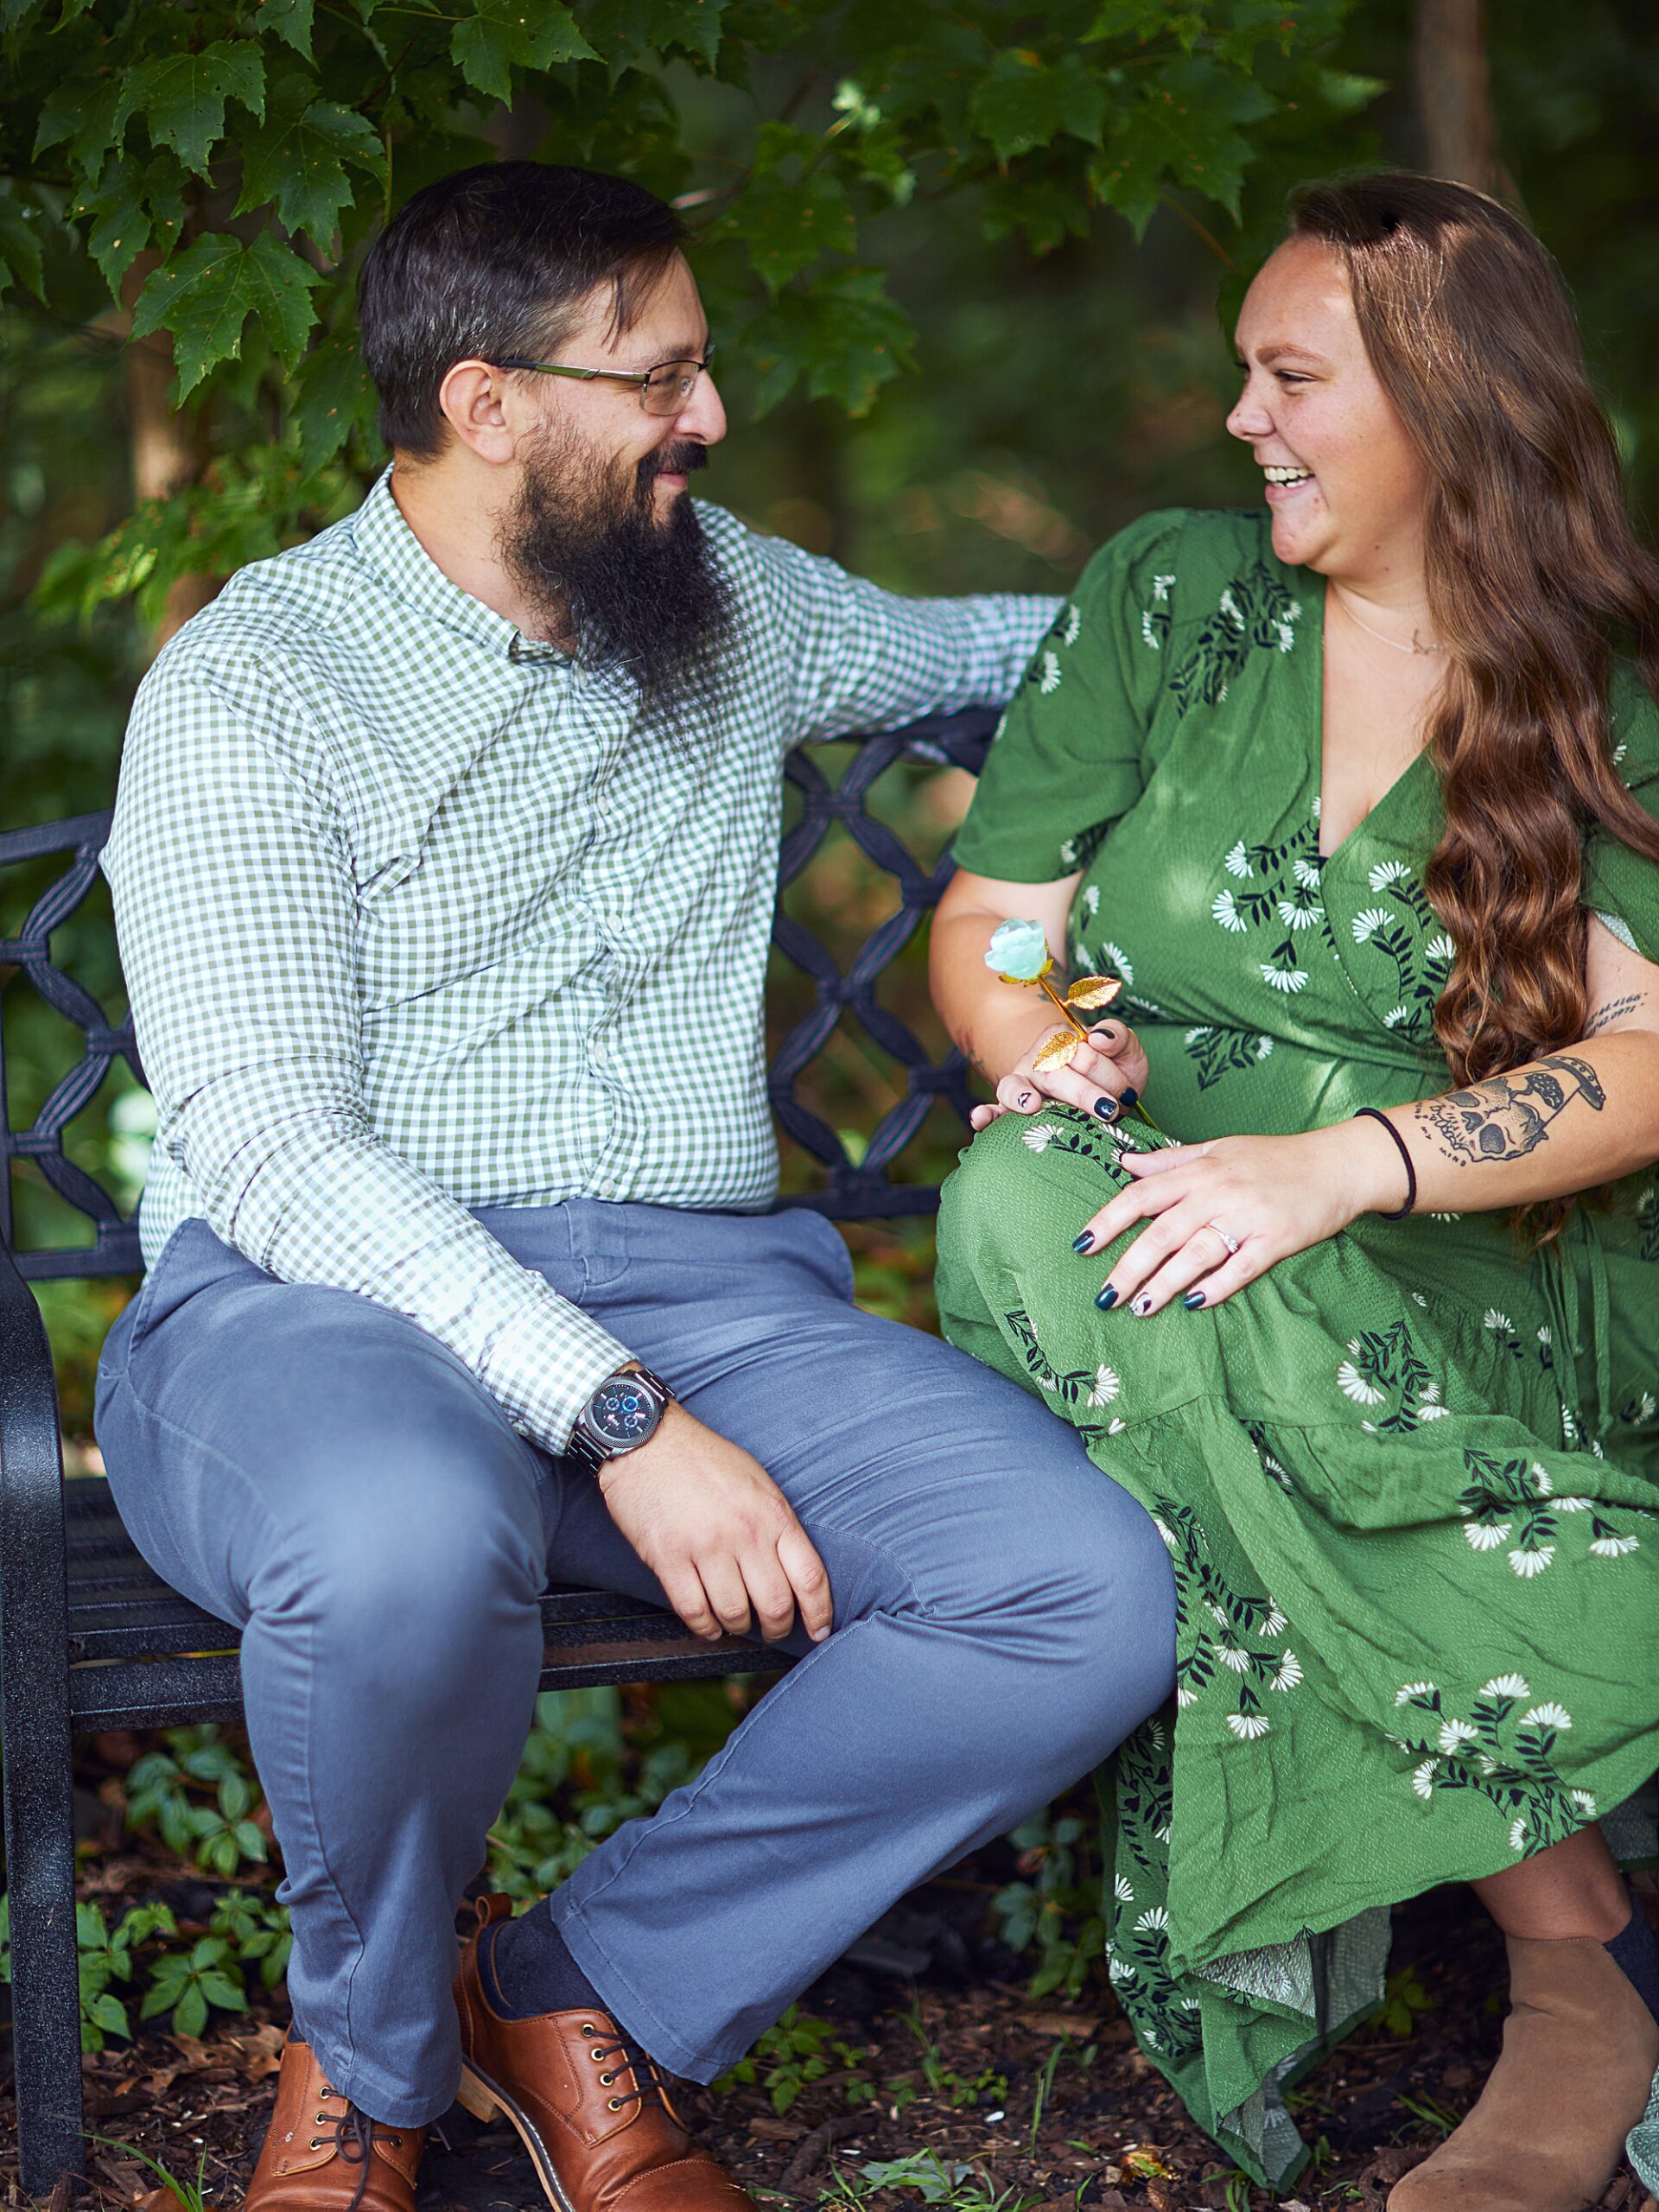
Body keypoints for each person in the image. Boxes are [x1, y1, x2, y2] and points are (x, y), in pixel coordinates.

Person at [92, 161, 1177, 2212]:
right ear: (487, 400)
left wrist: (1319, 578)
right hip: (315, 1311)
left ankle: (584, 1992)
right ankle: (373, 2064)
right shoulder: (257, 685)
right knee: (403, 1531)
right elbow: (267, 1143)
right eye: (658, 374)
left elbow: (1022, 644)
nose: (711, 413)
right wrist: (620, 1413)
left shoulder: (727, 595)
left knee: (1081, 1586)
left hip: (715, 1303)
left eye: (705, 364)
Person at [929, 172, 1659, 2211]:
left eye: (1289, 377)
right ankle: (1589, 1938)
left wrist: (1341, 1165)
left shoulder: (1604, 668)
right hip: (1159, 1216)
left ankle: (1575, 1968)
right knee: (1026, 1206)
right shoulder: (1174, 594)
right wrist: (1035, 1047)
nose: (1241, 418)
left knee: (1165, 1279)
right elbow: (998, 918)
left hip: (1476, 1261)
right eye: (1244, 373)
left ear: (1448, 402)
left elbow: (1653, 1053)